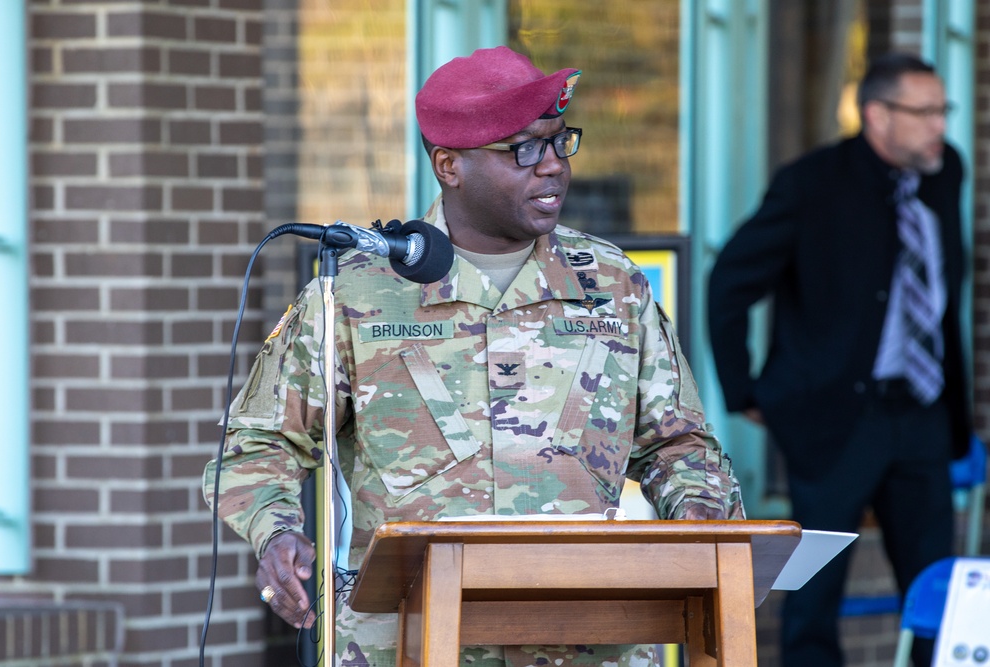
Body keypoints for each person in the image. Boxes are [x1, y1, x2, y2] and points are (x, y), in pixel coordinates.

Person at [206, 45, 744, 667]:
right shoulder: (356, 289)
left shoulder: (612, 283)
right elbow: (257, 443)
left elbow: (680, 445)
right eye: (523, 150)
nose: (552, 168)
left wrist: (701, 520)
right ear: (449, 165)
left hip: (590, 637)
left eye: (558, 142)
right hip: (409, 639)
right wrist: (277, 531)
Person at [706, 53, 970, 667]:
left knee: (936, 593)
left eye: (944, 111)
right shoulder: (812, 183)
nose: (940, 125)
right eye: (925, 112)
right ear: (878, 115)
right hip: (832, 418)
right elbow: (731, 282)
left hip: (923, 412)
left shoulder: (943, 171)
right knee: (814, 600)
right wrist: (743, 389)